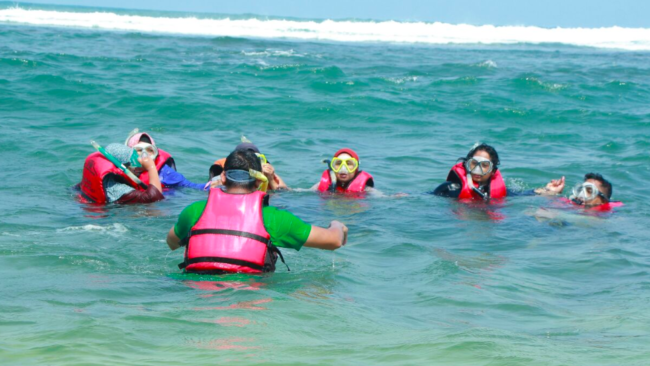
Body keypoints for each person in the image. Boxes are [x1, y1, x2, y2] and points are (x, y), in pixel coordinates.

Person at [167, 149, 348, 274]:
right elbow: (334, 241)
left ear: (222, 177)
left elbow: (172, 243)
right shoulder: (272, 218)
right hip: (249, 302)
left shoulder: (194, 211)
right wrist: (337, 225)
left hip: (197, 296)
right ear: (258, 181)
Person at [432, 143, 564, 200]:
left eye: (484, 165)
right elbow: (427, 197)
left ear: (493, 170)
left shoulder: (497, 191)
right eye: (474, 164)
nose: (477, 170)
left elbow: (524, 194)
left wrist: (548, 190)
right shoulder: (450, 188)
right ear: (467, 165)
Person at [79, 143, 164, 204]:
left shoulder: (98, 178)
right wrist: (151, 167)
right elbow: (154, 198)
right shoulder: (117, 189)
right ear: (122, 167)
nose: (137, 171)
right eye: (134, 168)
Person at [125, 129, 207, 190]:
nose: (145, 154)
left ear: (155, 153)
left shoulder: (164, 172)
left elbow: (191, 186)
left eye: (150, 150)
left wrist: (209, 186)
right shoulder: (123, 171)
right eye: (139, 150)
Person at [209, 140, 288, 190]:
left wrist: (271, 180)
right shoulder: (227, 173)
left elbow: (285, 195)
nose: (248, 160)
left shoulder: (269, 174)